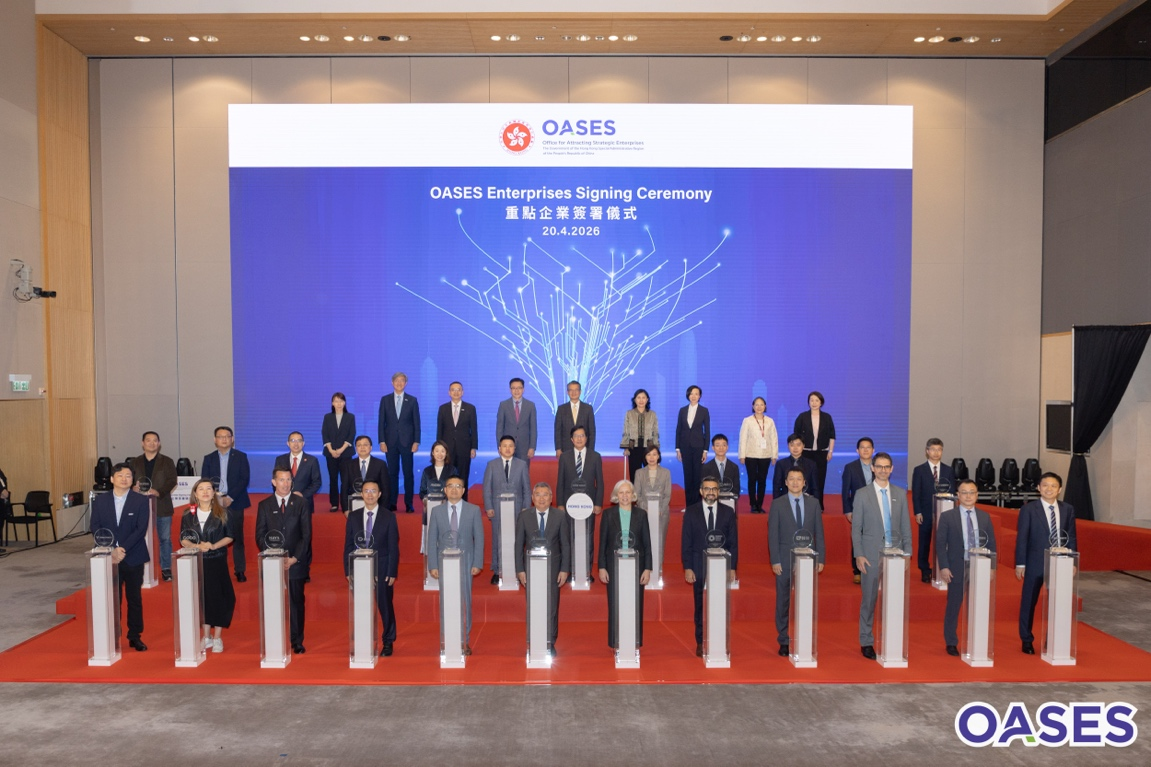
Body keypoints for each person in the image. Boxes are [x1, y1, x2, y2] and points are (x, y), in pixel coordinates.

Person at [851, 452, 911, 660]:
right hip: (870, 556)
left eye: (887, 467)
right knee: (869, 600)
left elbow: (905, 525)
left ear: (891, 469)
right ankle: (866, 641)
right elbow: (856, 528)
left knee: (894, 600)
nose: (883, 470)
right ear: (873, 468)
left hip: (895, 556)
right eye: (879, 466)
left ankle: (891, 639)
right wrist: (858, 554)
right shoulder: (862, 494)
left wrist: (907, 553)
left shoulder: (900, 494)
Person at [1015, 471, 1078, 655]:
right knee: (1029, 602)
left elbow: (1071, 536)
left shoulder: (1067, 509)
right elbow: (1022, 538)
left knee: (1058, 602)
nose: (1049, 489)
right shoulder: (1028, 509)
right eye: (1045, 485)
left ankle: (1053, 639)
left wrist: (1073, 560)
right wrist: (1020, 564)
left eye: (1053, 486)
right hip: (1034, 562)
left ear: (1059, 489)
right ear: (1038, 488)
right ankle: (1026, 639)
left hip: (1060, 563)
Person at [89, 463, 151, 651]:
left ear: (133, 480)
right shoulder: (100, 501)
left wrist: (121, 548)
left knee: (134, 599)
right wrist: (112, 549)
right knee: (112, 599)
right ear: (112, 479)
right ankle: (113, 635)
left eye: (128, 476)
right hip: (108, 556)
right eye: (120, 475)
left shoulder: (140, 500)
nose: (124, 479)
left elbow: (141, 529)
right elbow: (95, 526)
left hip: (133, 556)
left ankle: (135, 636)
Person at [768, 468, 825, 656]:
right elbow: (772, 535)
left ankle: (804, 636)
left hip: (807, 559)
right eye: (791, 479)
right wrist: (775, 560)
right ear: (785, 482)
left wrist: (820, 557)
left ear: (804, 482)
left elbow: (819, 533)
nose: (795, 482)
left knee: (805, 599)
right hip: (784, 559)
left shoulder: (814, 503)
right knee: (783, 601)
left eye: (798, 479)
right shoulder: (777, 504)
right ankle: (783, 639)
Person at [936, 479, 996, 657]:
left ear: (977, 495)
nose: (968, 496)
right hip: (957, 566)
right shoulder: (948, 516)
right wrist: (944, 567)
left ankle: (976, 640)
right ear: (958, 495)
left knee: (978, 605)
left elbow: (991, 543)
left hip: (980, 566)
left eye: (972, 492)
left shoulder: (985, 516)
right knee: (954, 605)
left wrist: (992, 567)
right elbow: (940, 544)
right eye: (964, 492)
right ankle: (951, 641)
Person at [255, 467, 312, 654]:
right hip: (272, 563)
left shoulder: (301, 503)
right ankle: (274, 638)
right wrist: (274, 557)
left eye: (288, 480)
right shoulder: (264, 505)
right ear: (273, 482)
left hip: (295, 562)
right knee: (273, 603)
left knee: (296, 603)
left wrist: (294, 558)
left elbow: (306, 535)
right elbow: (260, 535)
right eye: (281, 480)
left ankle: (297, 640)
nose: (285, 484)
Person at [681, 477, 738, 657]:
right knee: (700, 605)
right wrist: (688, 567)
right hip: (698, 564)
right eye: (707, 489)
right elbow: (686, 542)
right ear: (701, 491)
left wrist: (732, 567)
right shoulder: (691, 512)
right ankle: (700, 641)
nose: (711, 492)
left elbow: (733, 543)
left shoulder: (728, 512)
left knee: (720, 604)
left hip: (721, 565)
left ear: (718, 492)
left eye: (714, 489)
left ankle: (718, 639)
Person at [427, 477, 484, 654]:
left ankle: (463, 640)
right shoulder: (436, 511)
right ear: (445, 490)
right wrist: (433, 565)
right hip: (444, 564)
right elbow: (431, 539)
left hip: (466, 563)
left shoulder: (473, 510)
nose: (454, 490)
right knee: (446, 601)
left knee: (464, 601)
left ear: (463, 490)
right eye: (450, 486)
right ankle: (448, 640)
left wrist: (477, 562)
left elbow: (479, 538)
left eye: (458, 486)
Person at [343, 481, 399, 656]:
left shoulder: (389, 516)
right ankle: (363, 638)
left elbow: (393, 547)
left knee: (385, 605)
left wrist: (392, 571)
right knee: (361, 606)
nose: (369, 494)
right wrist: (348, 570)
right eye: (366, 491)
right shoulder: (353, 516)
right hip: (359, 567)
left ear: (379, 494)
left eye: (373, 491)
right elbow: (348, 545)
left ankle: (388, 641)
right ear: (361, 494)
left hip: (382, 567)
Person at [180, 478, 236, 653]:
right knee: (202, 598)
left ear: (213, 493)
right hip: (197, 561)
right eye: (201, 489)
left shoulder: (223, 513)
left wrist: (214, 545)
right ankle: (206, 637)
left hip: (216, 560)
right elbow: (183, 538)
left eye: (208, 489)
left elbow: (230, 536)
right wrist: (196, 546)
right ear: (195, 494)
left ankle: (217, 637)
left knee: (219, 597)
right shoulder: (187, 515)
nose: (205, 492)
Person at [514, 483, 571, 656]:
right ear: (532, 498)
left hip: (553, 569)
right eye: (537, 494)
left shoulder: (560, 516)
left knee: (551, 607)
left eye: (545, 494)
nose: (541, 498)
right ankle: (534, 641)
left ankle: (549, 642)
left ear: (551, 498)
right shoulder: (524, 516)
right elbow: (518, 545)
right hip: (531, 569)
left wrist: (564, 569)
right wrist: (520, 570)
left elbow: (565, 544)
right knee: (533, 606)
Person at [598, 480, 653, 650]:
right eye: (621, 493)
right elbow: (603, 543)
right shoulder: (608, 515)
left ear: (633, 495)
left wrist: (647, 568)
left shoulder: (641, 515)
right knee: (615, 604)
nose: (624, 496)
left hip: (636, 566)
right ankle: (616, 641)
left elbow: (647, 544)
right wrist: (602, 567)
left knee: (635, 604)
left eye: (627, 492)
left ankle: (634, 641)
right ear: (616, 495)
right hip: (614, 566)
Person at [201, 426, 251, 582]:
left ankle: (240, 570)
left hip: (235, 502)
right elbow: (205, 481)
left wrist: (230, 497)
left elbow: (244, 479)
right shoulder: (209, 458)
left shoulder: (241, 456)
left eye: (227, 436)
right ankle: (218, 570)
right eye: (220, 436)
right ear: (215, 440)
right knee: (216, 537)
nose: (224, 439)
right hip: (214, 503)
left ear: (232, 439)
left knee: (237, 537)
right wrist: (216, 498)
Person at [556, 425, 604, 581]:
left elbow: (600, 482)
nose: (579, 438)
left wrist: (598, 503)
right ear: (571, 439)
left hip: (588, 505)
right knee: (569, 537)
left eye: (582, 435)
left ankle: (586, 572)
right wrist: (560, 504)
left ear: (586, 438)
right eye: (576, 436)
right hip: (569, 505)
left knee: (587, 538)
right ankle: (571, 570)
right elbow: (560, 482)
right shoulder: (564, 457)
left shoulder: (595, 456)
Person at [482, 435, 532, 585]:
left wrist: (526, 507)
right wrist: (489, 507)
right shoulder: (491, 465)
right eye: (504, 446)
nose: (508, 448)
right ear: (499, 449)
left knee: (518, 539)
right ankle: (497, 570)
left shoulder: (522, 465)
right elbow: (486, 489)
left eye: (511, 446)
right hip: (497, 510)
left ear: (514, 449)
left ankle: (519, 570)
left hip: (517, 509)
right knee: (497, 539)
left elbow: (527, 489)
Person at [128, 431, 177, 581]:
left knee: (165, 539)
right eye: (148, 440)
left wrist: (158, 492)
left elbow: (172, 480)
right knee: (138, 538)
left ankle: (166, 568)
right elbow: (127, 479)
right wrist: (131, 488)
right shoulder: (134, 462)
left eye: (155, 440)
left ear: (159, 443)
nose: (152, 443)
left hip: (162, 505)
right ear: (142, 443)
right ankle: (138, 568)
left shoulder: (167, 461)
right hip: (139, 507)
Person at [912, 437, 956, 583]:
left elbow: (952, 492)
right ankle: (925, 569)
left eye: (939, 450)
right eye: (933, 450)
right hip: (925, 512)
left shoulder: (948, 470)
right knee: (924, 542)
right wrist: (917, 512)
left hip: (945, 512)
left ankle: (943, 567)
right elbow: (916, 493)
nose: (936, 453)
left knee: (944, 541)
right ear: (927, 451)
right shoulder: (919, 470)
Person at [378, 371, 421, 512]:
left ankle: (409, 503)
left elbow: (416, 423)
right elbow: (381, 422)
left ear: (406, 383)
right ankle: (392, 502)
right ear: (392, 383)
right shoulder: (385, 400)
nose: (399, 383)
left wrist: (416, 441)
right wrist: (382, 441)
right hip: (390, 442)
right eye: (396, 381)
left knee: (408, 473)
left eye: (402, 381)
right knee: (392, 473)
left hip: (407, 442)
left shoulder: (412, 400)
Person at [632, 445, 671, 583]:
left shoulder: (666, 472)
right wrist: (645, 508)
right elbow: (636, 494)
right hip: (643, 513)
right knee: (644, 541)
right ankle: (644, 569)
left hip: (661, 513)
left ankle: (658, 570)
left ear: (659, 456)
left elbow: (667, 494)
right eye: (649, 455)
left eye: (654, 454)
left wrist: (660, 509)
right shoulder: (639, 473)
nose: (652, 457)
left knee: (659, 541)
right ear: (645, 457)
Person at [841, 437, 875, 584]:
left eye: (868, 447)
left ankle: (873, 568)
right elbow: (845, 491)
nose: (865, 450)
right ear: (857, 450)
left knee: (875, 538)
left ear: (873, 450)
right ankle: (857, 571)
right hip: (858, 509)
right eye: (862, 447)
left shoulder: (879, 465)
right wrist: (848, 510)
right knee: (858, 539)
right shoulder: (850, 467)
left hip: (876, 509)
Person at [793, 391, 836, 506]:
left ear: (821, 402)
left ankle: (819, 504)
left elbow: (832, 436)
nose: (814, 403)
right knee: (806, 478)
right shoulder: (802, 417)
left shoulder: (827, 417)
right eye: (811, 400)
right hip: (806, 453)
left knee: (820, 479)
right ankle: (805, 503)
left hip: (822, 453)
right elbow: (796, 435)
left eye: (817, 400)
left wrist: (830, 451)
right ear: (808, 402)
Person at [436, 381, 478, 497]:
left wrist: (473, 447)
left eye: (458, 390)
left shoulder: (470, 408)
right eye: (453, 390)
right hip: (447, 449)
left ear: (462, 392)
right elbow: (439, 429)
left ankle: (463, 501)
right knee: (447, 475)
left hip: (464, 448)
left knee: (463, 475)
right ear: (449, 392)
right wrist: (439, 448)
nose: (456, 392)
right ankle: (447, 500)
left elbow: (474, 429)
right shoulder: (443, 408)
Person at [738, 397, 777, 513]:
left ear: (765, 406)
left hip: (766, 455)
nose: (759, 407)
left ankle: (760, 504)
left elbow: (774, 438)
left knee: (762, 480)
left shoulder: (770, 421)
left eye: (761, 405)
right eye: (756, 405)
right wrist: (742, 455)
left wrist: (774, 455)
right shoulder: (747, 420)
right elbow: (743, 438)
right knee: (752, 479)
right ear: (753, 406)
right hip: (750, 454)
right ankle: (753, 504)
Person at [675, 385, 711, 505]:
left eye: (696, 394)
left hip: (698, 447)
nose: (693, 396)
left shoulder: (704, 411)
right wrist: (678, 448)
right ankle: (689, 505)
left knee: (697, 477)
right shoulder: (682, 410)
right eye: (691, 393)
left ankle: (697, 505)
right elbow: (678, 430)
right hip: (685, 447)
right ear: (688, 395)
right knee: (688, 476)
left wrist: (705, 450)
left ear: (699, 396)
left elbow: (707, 431)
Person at [321, 392, 356, 513]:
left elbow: (351, 434)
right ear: (332, 403)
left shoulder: (350, 417)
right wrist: (331, 450)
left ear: (344, 403)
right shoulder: (327, 417)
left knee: (346, 479)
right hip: (330, 453)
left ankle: (346, 503)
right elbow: (325, 434)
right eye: (336, 401)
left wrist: (341, 449)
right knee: (333, 478)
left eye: (341, 401)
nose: (339, 403)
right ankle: (334, 503)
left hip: (346, 453)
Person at [274, 432, 322, 514]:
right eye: (292, 440)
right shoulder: (280, 460)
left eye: (299, 441)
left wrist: (302, 495)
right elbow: (276, 481)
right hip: (284, 503)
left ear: (303, 443)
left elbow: (317, 483)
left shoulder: (312, 461)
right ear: (288, 443)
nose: (296, 444)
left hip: (304, 503)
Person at [341, 435, 390, 514]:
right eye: (359, 445)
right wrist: (345, 509)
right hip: (354, 504)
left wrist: (383, 510)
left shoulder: (380, 464)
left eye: (365, 445)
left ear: (371, 447)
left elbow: (386, 489)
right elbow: (344, 488)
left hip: (376, 504)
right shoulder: (348, 465)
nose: (362, 447)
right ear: (356, 448)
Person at [620, 388, 659, 481]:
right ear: (635, 400)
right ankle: (635, 491)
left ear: (647, 399)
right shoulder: (629, 413)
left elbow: (655, 432)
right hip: (633, 448)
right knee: (634, 475)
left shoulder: (652, 414)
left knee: (649, 476)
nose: (641, 400)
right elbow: (626, 431)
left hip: (649, 448)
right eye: (638, 397)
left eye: (643, 398)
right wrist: (626, 448)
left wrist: (656, 449)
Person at [495, 377, 537, 464]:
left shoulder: (530, 405)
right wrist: (500, 446)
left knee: (523, 471)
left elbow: (533, 428)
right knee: (507, 470)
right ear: (510, 390)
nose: (516, 391)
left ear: (523, 389)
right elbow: (499, 428)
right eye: (513, 388)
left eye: (519, 388)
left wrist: (532, 447)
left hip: (524, 448)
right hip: (507, 447)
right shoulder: (503, 405)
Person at [554, 380, 596, 456]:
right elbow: (558, 431)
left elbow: (592, 431)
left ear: (580, 392)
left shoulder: (588, 409)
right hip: (565, 449)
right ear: (567, 392)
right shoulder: (561, 409)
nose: (574, 393)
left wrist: (590, 450)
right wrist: (558, 448)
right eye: (571, 390)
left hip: (584, 449)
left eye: (576, 390)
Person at [703, 433, 741, 512]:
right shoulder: (706, 467)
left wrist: (728, 498)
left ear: (727, 447)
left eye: (724, 445)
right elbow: (704, 488)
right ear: (713, 448)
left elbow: (736, 488)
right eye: (717, 445)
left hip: (730, 501)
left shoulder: (734, 467)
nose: (721, 448)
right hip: (711, 501)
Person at [772, 434, 817, 499]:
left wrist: (815, 503)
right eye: (792, 445)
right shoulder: (781, 464)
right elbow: (776, 487)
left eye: (798, 445)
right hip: (786, 500)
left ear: (803, 446)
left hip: (806, 499)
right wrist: (777, 503)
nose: (795, 448)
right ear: (788, 446)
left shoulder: (811, 464)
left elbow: (815, 488)